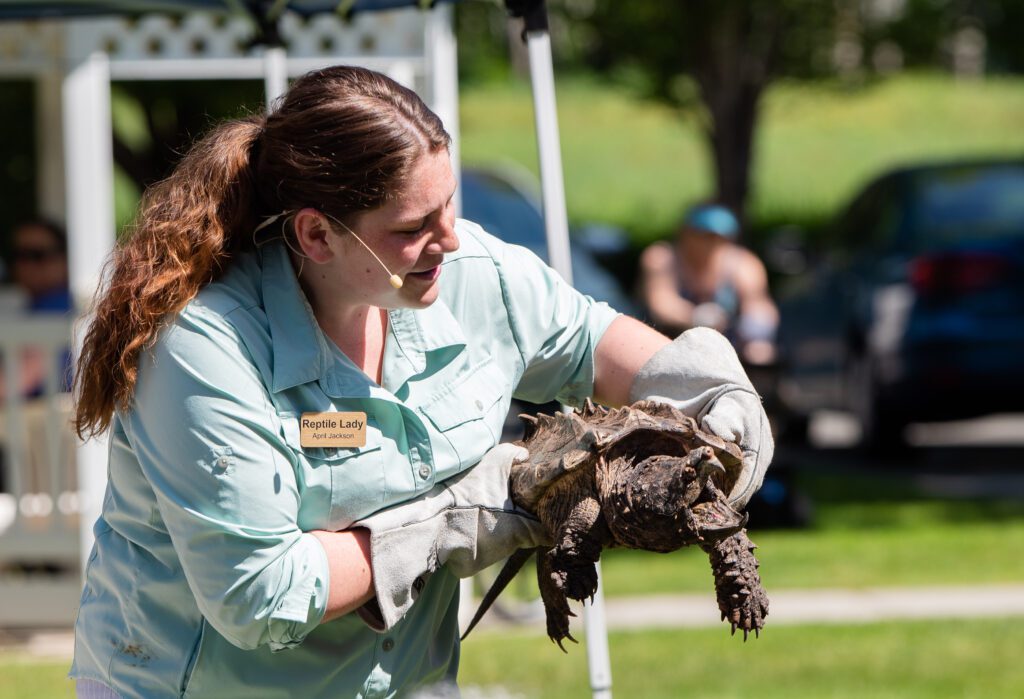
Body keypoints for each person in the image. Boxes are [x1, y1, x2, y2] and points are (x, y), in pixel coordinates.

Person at [69, 66, 773, 699]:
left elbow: (595, 340)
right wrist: (445, 521)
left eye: (450, 207)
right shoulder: (204, 348)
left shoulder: (470, 277)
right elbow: (258, 596)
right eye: (414, 226)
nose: (452, 239)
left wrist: (711, 391)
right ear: (317, 236)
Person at [639, 203, 779, 366]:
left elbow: (758, 303)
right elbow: (662, 304)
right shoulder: (662, 258)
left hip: (725, 342)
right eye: (705, 236)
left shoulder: (743, 264)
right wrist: (696, 316)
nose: (713, 243)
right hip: (666, 340)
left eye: (720, 237)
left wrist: (757, 334)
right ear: (686, 233)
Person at [0, 218, 73, 400]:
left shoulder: (61, 306)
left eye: (36, 255)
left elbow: (18, 380)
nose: (24, 265)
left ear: (65, 259)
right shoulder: (38, 305)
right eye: (18, 255)